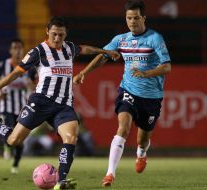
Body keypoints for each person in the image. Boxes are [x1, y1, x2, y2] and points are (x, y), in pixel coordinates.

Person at [0, 16, 120, 190]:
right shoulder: (38, 51)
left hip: (63, 105)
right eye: (54, 34)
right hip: (41, 102)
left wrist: (104, 52)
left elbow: (85, 49)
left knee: (71, 138)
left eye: (61, 35)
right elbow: (14, 74)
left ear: (65, 34)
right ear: (47, 32)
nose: (57, 39)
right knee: (14, 140)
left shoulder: (69, 48)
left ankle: (62, 180)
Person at [73, 0, 171, 187]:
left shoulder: (155, 39)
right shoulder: (121, 39)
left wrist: (147, 73)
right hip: (128, 90)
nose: (132, 22)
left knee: (142, 140)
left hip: (151, 97)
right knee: (122, 128)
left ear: (144, 18)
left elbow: (167, 67)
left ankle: (141, 154)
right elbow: (103, 55)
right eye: (128, 18)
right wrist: (83, 73)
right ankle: (110, 173)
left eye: (136, 18)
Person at [0, 38, 36, 174]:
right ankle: (6, 146)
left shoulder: (29, 67)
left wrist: (31, 87)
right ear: (10, 50)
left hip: (22, 108)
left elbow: (36, 84)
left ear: (23, 50)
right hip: (7, 107)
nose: (17, 50)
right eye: (15, 48)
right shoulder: (2, 65)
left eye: (19, 48)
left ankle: (15, 164)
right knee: (8, 131)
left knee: (20, 139)